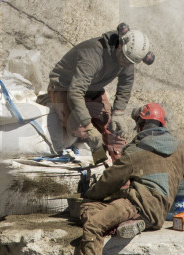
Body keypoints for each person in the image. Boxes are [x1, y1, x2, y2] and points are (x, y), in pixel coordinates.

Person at [61, 103, 184, 255]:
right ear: (162, 124)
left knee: (93, 223)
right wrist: (175, 170)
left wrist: (90, 194)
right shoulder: (180, 148)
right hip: (160, 211)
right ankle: (130, 223)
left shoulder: (136, 150)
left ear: (140, 125)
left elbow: (109, 181)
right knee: (91, 210)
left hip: (137, 204)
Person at [47, 23, 155, 160]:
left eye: (129, 63)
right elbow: (75, 92)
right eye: (124, 60)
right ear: (120, 44)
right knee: (80, 130)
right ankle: (97, 158)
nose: (125, 64)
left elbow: (126, 83)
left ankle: (117, 167)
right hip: (64, 87)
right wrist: (88, 125)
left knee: (111, 131)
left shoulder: (126, 58)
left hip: (92, 89)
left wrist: (118, 112)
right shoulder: (92, 55)